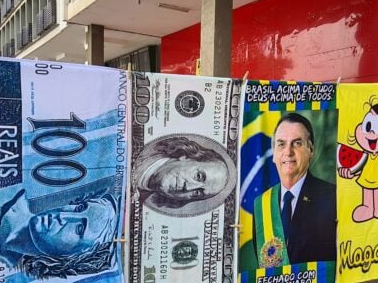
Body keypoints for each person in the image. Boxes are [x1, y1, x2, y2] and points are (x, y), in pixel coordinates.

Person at [251, 113, 336, 268]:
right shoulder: (261, 205)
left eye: (297, 143)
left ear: (311, 151)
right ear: (274, 154)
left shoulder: (333, 197)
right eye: (281, 144)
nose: (288, 152)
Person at [0, 189, 120, 278]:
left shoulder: (9, 264)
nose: (63, 215)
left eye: (79, 229)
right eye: (79, 208)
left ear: (76, 258)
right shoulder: (8, 193)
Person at [133, 134, 233, 214]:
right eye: (198, 176)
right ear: (186, 157)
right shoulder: (138, 148)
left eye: (197, 193)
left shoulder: (135, 206)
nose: (188, 188)